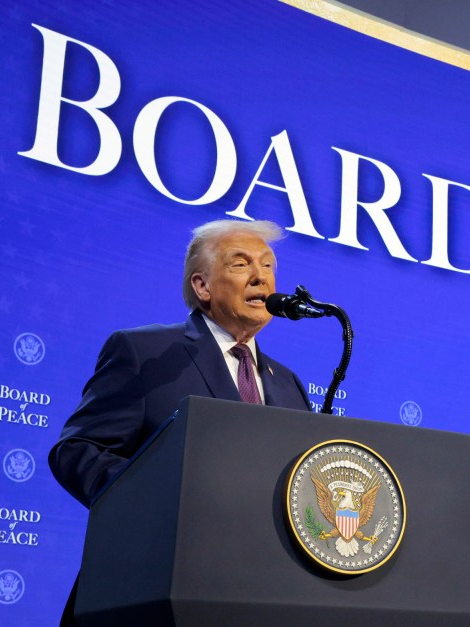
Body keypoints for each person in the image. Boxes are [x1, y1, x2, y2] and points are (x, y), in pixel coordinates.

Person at [49, 219, 312, 625]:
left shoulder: (289, 384)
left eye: (268, 265)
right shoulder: (146, 351)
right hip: (150, 590)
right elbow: (79, 450)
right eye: (240, 265)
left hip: (258, 595)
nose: (261, 277)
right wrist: (159, 503)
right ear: (202, 286)